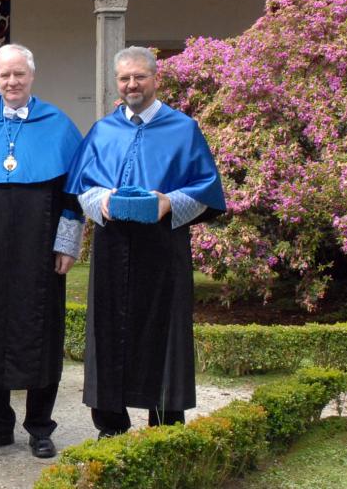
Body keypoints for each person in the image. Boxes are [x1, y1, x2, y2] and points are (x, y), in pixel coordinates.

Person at [64, 46, 226, 438]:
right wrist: (100, 200)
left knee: (164, 330)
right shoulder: (103, 131)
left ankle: (165, 424)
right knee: (107, 330)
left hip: (163, 248)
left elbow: (207, 191)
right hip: (112, 245)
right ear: (116, 83)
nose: (132, 84)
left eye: (139, 77)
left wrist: (169, 202)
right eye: (124, 78)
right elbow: (80, 186)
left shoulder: (183, 129)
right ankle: (110, 424)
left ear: (156, 78)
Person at [0, 44, 84, 459]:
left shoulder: (57, 125)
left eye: (19, 74)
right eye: (5, 75)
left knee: (41, 334)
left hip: (39, 252)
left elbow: (73, 193)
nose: (12, 82)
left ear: (31, 76)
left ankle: (40, 427)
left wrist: (66, 244)